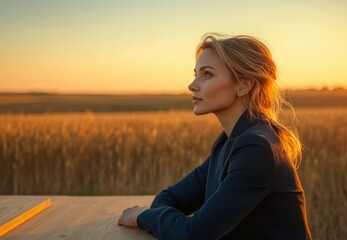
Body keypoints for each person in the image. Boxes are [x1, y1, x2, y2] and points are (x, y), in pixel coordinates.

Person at [118, 33, 312, 240]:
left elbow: (193, 235)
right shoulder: (229, 141)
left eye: (207, 75)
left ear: (243, 85)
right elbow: (169, 198)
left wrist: (142, 216)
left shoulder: (257, 148)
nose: (192, 85)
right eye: (196, 74)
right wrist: (168, 220)